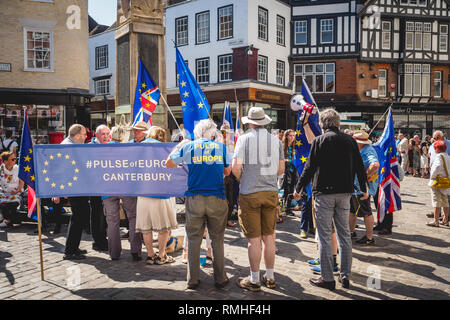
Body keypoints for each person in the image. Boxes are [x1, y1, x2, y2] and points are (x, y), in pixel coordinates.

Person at [293, 109, 367, 290]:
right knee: (344, 236)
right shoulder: (350, 141)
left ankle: (327, 278)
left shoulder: (320, 141)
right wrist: (364, 189)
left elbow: (309, 168)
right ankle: (345, 275)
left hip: (324, 194)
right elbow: (359, 167)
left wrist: (298, 188)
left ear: (323, 124)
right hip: (345, 193)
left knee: (325, 236)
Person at [166, 119, 231, 290]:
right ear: (212, 133)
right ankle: (220, 278)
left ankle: (192, 279)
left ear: (197, 133)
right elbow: (227, 171)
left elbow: (169, 163)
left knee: (194, 239)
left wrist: (178, 147)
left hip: (195, 198)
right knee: (217, 239)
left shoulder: (188, 147)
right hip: (217, 197)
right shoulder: (221, 148)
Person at [232, 107, 285, 291]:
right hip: (270, 192)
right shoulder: (275, 140)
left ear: (250, 122)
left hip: (249, 192)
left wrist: (242, 178)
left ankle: (254, 280)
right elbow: (281, 170)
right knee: (269, 237)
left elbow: (236, 168)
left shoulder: (244, 139)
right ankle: (270, 277)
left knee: (253, 240)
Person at [103, 121, 146, 261]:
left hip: (108, 188)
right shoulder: (129, 148)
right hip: (127, 187)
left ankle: (114, 253)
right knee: (133, 218)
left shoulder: (102, 149)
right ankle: (135, 251)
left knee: (112, 221)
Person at [136, 126, 178, 265]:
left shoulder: (139, 147)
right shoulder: (167, 149)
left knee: (146, 227)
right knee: (163, 227)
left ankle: (150, 255)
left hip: (144, 192)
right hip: (162, 192)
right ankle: (161, 255)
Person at [52, 124, 90, 260]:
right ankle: (70, 251)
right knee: (77, 218)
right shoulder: (67, 146)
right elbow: (60, 170)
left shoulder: (72, 144)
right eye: (84, 134)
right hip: (74, 188)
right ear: (77, 135)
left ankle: (74, 247)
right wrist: (58, 190)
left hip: (77, 187)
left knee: (80, 217)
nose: (86, 137)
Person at [349, 131, 380, 245]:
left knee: (366, 212)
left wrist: (365, 175)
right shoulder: (360, 149)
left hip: (361, 188)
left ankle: (369, 237)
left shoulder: (367, 150)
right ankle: (351, 232)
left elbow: (375, 165)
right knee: (352, 210)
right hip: (355, 187)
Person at [88, 125, 110, 252]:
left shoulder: (110, 145)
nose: (106, 136)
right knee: (97, 214)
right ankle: (98, 241)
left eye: (108, 134)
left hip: (107, 186)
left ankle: (103, 238)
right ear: (96, 135)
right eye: (103, 134)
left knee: (106, 214)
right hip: (95, 187)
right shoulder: (90, 147)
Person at [426, 140, 449, 227]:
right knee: (445, 201)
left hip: (437, 181)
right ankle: (445, 219)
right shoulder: (448, 156)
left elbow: (437, 168)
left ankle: (436, 220)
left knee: (436, 201)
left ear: (437, 149)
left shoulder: (439, 156)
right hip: (446, 181)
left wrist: (432, 176)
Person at [0, 152, 24, 227]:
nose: (15, 160)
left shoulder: (18, 169)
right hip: (3, 193)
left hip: (16, 192)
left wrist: (17, 190)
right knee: (2, 203)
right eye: (13, 159)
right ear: (5, 161)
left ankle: (7, 220)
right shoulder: (1, 170)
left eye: (15, 159)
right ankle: (7, 219)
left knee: (13, 203)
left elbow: (21, 183)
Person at [221, 123, 238, 227]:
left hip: (231, 174)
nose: (224, 134)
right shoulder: (216, 143)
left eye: (226, 132)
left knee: (231, 199)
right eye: (223, 132)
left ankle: (227, 219)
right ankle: (221, 220)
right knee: (221, 199)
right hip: (219, 174)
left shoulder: (232, 144)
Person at [281, 129, 297, 216]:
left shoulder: (296, 146)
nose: (292, 137)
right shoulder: (282, 146)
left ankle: (288, 208)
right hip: (284, 171)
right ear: (286, 136)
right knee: (285, 190)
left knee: (291, 189)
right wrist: (284, 160)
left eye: (293, 135)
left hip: (293, 171)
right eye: (290, 135)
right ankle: (284, 208)